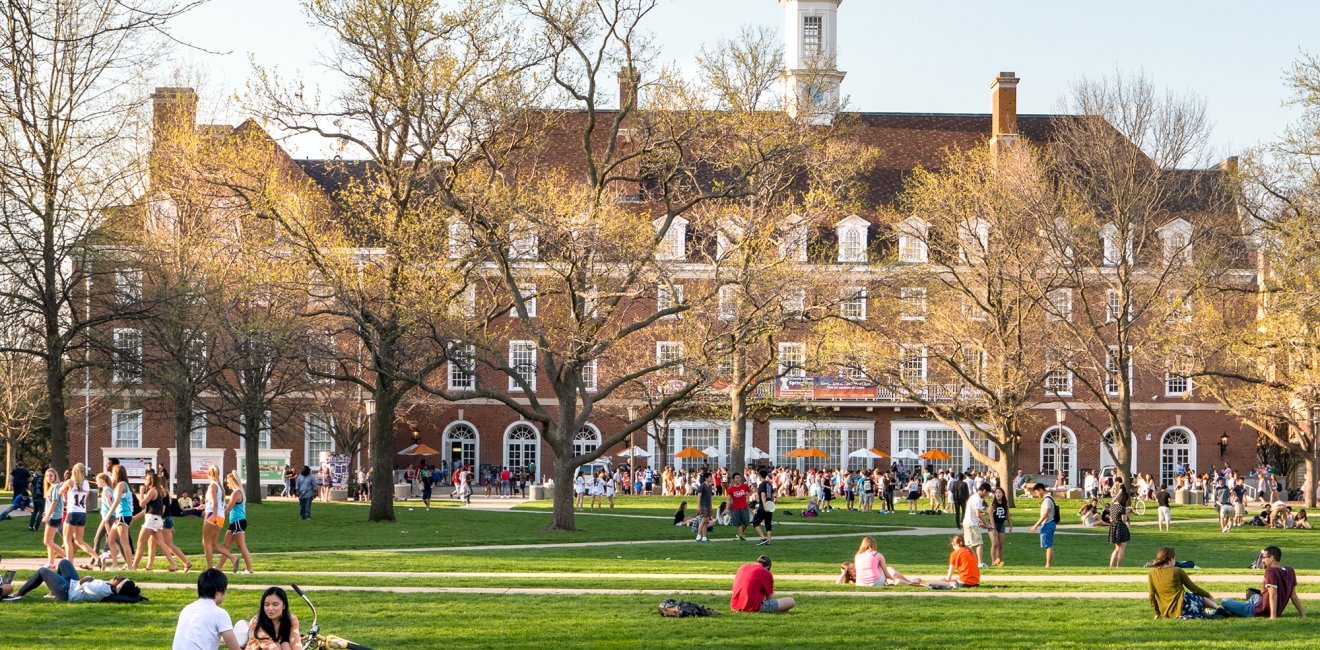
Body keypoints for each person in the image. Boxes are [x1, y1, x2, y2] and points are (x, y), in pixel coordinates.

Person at [1219, 546, 1305, 619]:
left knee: (1225, 601)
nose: (1262, 560)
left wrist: (1272, 616)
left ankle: (1232, 611)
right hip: (1266, 604)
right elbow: (1293, 595)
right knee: (1254, 597)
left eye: (1264, 557)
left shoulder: (1270, 571)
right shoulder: (1290, 570)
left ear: (1271, 558)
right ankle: (1238, 609)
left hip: (1260, 610)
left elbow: (1273, 594)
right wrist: (1302, 614)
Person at [3, 559, 141, 603]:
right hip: (73, 584)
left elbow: (84, 584)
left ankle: (18, 593)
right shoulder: (107, 586)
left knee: (42, 571)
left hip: (67, 592)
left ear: (117, 585)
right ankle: (52, 592)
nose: (115, 577)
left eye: (117, 579)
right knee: (64, 562)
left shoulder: (100, 589)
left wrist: (86, 580)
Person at [173, 568, 241, 650]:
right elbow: (234, 647)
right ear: (217, 594)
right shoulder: (219, 614)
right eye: (225, 591)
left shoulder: (187, 609)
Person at [1147, 546, 1217, 619]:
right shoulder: (1177, 571)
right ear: (1171, 559)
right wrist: (1209, 595)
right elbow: (1194, 588)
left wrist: (1157, 613)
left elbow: (1151, 596)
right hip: (1182, 608)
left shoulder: (1152, 573)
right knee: (1198, 597)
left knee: (1190, 595)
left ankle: (1214, 608)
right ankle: (1218, 608)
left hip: (1166, 612)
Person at [61, 463, 98, 568]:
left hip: (72, 512)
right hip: (82, 512)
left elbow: (59, 492)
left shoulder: (70, 482)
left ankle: (70, 563)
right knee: (79, 540)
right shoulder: (86, 483)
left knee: (67, 539)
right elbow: (85, 498)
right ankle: (97, 558)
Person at [845, 536, 921, 586]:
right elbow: (886, 573)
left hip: (860, 583)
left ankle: (907, 581)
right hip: (875, 582)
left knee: (875, 567)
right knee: (882, 567)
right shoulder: (877, 555)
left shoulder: (857, 555)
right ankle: (908, 582)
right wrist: (894, 579)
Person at [730, 555, 795, 613]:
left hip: (734, 606)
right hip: (751, 607)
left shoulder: (742, 567)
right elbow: (769, 599)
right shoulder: (765, 572)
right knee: (791, 601)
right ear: (767, 567)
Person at [245, 586, 303, 650]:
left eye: (275, 605)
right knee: (277, 644)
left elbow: (296, 642)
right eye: (266, 605)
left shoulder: (292, 619)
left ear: (284, 605)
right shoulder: (256, 622)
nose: (270, 609)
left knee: (285, 644)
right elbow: (269, 646)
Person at [220, 471, 254, 575]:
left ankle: (250, 569)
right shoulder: (238, 492)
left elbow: (227, 510)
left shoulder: (236, 493)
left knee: (241, 546)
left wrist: (217, 516)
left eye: (227, 482)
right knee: (226, 546)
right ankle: (219, 567)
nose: (227, 484)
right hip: (235, 522)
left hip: (238, 522)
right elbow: (227, 507)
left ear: (231, 481)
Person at [202, 465, 231, 570]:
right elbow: (219, 503)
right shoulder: (220, 486)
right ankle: (233, 558)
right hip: (221, 516)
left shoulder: (212, 486)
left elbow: (214, 504)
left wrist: (213, 517)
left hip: (212, 516)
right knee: (214, 543)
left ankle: (209, 567)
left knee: (206, 542)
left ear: (209, 474)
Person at [40, 468, 67, 566]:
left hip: (54, 516)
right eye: (47, 476)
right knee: (50, 541)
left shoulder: (56, 487)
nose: (49, 478)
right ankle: (51, 562)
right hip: (50, 515)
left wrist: (48, 515)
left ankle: (67, 557)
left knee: (47, 541)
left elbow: (55, 502)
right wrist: (46, 513)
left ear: (55, 476)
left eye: (51, 475)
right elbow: (49, 502)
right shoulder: (50, 487)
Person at [1028, 483, 1057, 568]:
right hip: (1050, 523)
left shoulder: (1047, 500)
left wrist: (1036, 525)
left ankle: (1048, 565)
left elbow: (1045, 514)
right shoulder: (1049, 498)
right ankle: (1048, 564)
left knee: (1048, 545)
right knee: (1048, 545)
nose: (1036, 495)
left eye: (1036, 492)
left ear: (1041, 490)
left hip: (1048, 523)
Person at [962, 483, 989, 568]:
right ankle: (980, 563)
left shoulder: (973, 497)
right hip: (972, 524)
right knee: (979, 543)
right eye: (987, 493)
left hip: (967, 522)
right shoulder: (978, 499)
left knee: (969, 544)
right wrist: (986, 524)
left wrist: (984, 513)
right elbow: (977, 514)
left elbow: (976, 511)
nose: (987, 495)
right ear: (984, 491)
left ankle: (968, 562)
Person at [1108, 485, 1131, 568]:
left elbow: (1111, 518)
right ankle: (1119, 566)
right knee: (1122, 548)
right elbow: (1124, 520)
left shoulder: (1112, 506)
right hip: (1121, 527)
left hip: (1113, 527)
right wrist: (1127, 512)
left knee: (1116, 549)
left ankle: (1111, 565)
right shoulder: (1121, 508)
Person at [989, 486, 1012, 568]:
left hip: (1001, 525)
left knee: (1000, 545)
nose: (998, 494)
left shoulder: (1005, 503)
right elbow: (990, 516)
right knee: (995, 543)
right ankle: (993, 562)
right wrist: (993, 528)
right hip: (993, 525)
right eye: (996, 493)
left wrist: (1010, 526)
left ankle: (998, 561)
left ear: (1003, 494)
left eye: (999, 492)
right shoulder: (993, 504)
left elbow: (1007, 515)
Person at [751, 469, 775, 546]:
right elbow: (772, 496)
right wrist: (771, 504)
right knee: (768, 524)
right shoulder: (769, 484)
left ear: (760, 476)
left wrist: (764, 506)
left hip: (763, 506)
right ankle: (769, 541)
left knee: (755, 522)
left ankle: (763, 538)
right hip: (770, 504)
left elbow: (763, 495)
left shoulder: (762, 485)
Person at [726, 473, 752, 541]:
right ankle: (740, 536)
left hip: (744, 507)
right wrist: (727, 508)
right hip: (735, 508)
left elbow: (751, 491)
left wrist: (747, 497)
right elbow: (728, 499)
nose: (738, 479)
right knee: (738, 523)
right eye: (736, 478)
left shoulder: (744, 486)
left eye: (739, 477)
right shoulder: (731, 489)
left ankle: (739, 533)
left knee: (746, 522)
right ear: (734, 480)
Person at [694, 472, 713, 542]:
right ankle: (698, 536)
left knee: (706, 521)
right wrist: (698, 506)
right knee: (703, 520)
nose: (711, 478)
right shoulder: (702, 486)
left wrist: (711, 506)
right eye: (710, 477)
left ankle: (704, 537)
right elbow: (699, 496)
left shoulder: (710, 486)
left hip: (708, 505)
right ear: (706, 478)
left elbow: (710, 497)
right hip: (703, 505)